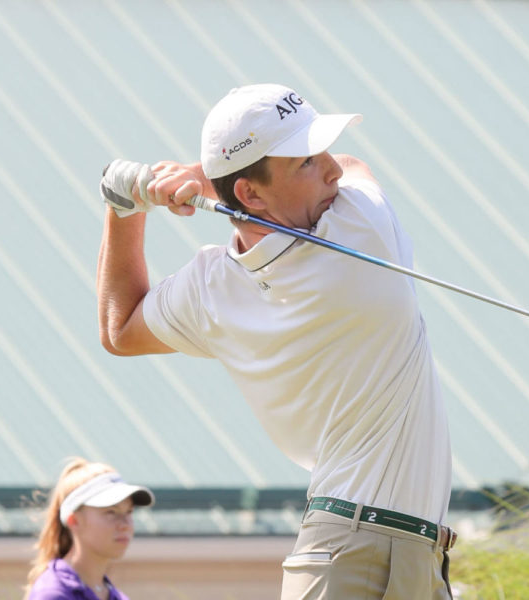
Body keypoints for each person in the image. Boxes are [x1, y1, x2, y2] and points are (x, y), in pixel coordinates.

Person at [97, 83, 455, 598]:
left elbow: (121, 329)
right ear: (250, 193)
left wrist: (124, 204)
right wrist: (201, 176)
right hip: (351, 553)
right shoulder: (362, 228)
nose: (331, 168)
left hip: (390, 552)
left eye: (322, 152)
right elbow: (357, 167)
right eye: (307, 161)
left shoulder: (209, 287)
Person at [24, 458, 155, 600]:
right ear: (74, 521)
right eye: (111, 512)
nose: (125, 524)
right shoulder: (53, 593)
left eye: (129, 512)